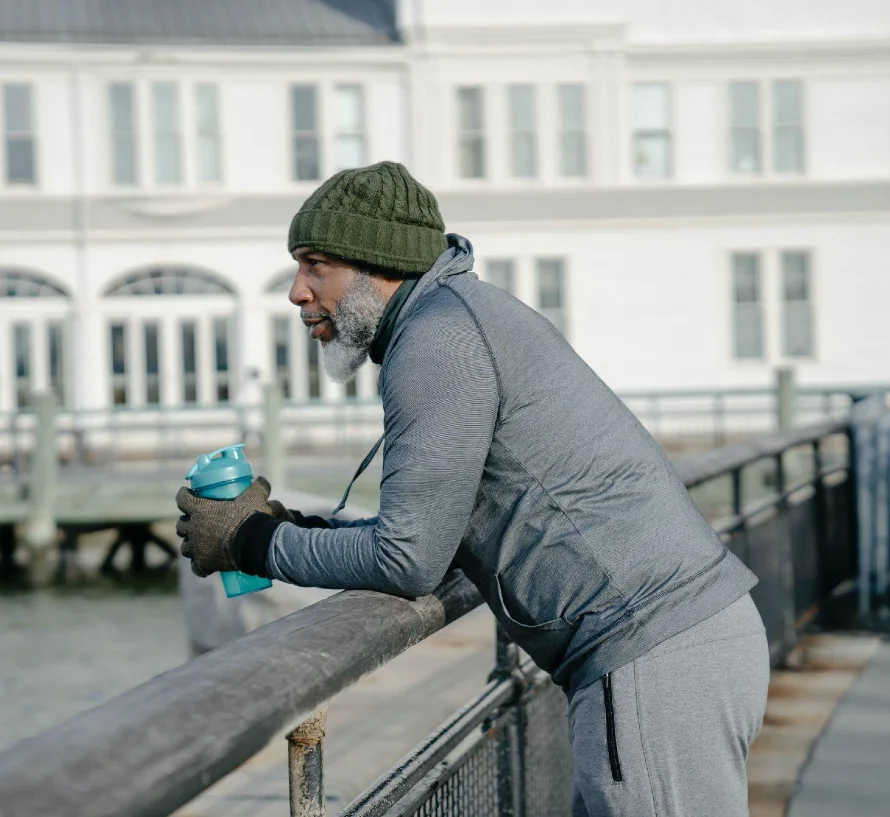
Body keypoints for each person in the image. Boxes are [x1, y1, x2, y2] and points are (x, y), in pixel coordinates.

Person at [176, 161, 769, 816]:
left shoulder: (438, 342)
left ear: (378, 263)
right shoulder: (455, 317)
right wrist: (298, 528)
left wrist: (255, 541)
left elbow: (409, 559)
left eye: (316, 265)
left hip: (656, 661)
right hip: (669, 651)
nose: (296, 291)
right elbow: (433, 528)